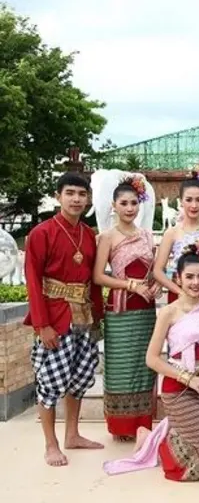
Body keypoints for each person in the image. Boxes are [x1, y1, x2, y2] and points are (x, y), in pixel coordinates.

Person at [103, 246, 199, 481]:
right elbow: (152, 359)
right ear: (178, 278)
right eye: (189, 277)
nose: (196, 282)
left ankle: (152, 436)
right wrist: (187, 378)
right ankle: (156, 442)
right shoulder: (169, 312)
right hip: (177, 390)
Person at [24, 173, 106, 467]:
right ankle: (51, 444)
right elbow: (33, 281)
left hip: (83, 314)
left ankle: (73, 434)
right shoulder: (42, 233)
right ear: (58, 196)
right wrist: (41, 325)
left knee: (79, 377)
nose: (76, 199)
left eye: (81, 194)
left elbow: (93, 280)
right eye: (70, 193)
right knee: (50, 381)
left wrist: (98, 315)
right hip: (55, 316)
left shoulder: (88, 234)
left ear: (88, 199)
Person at [93, 175, 160, 441]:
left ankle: (142, 423)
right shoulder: (107, 237)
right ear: (114, 206)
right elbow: (99, 276)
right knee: (120, 367)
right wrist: (130, 285)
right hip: (120, 310)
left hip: (146, 309)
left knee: (144, 366)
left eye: (134, 203)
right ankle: (121, 426)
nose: (130, 208)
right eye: (124, 203)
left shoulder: (146, 235)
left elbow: (153, 272)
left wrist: (155, 285)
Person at [153, 170, 199, 305]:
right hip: (180, 298)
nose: (194, 205)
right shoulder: (172, 233)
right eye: (189, 200)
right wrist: (180, 293)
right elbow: (158, 271)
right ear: (181, 201)